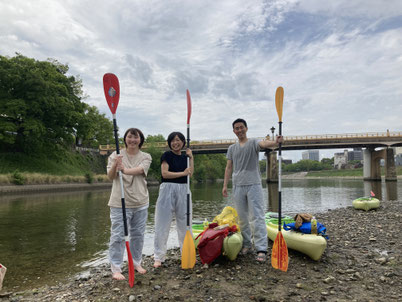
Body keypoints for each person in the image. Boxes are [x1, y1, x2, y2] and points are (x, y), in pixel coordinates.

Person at [222, 118, 282, 262]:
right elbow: (229, 167)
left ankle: (261, 248)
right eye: (236, 128)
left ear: (246, 128)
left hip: (253, 184)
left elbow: (264, 143)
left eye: (241, 127)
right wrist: (225, 185)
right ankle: (247, 244)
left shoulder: (253, 142)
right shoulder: (231, 148)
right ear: (234, 131)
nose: (239, 130)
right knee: (242, 218)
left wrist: (275, 142)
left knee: (257, 216)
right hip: (238, 186)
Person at [107, 128, 152, 280]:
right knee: (118, 235)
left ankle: (136, 262)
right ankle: (116, 267)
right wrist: (116, 164)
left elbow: (140, 170)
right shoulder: (115, 155)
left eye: (136, 137)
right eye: (130, 137)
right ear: (125, 139)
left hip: (140, 201)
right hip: (119, 202)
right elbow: (110, 176)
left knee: (138, 235)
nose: (133, 140)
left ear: (141, 140)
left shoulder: (146, 156)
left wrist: (124, 169)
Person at [153, 132, 194, 268]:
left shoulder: (186, 157)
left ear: (183, 142)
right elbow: (165, 173)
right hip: (167, 189)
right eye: (173, 141)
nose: (175, 143)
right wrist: (182, 173)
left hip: (184, 189)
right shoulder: (166, 155)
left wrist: (191, 158)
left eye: (178, 140)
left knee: (185, 223)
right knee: (162, 223)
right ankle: (159, 257)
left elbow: (190, 173)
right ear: (169, 142)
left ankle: (186, 252)